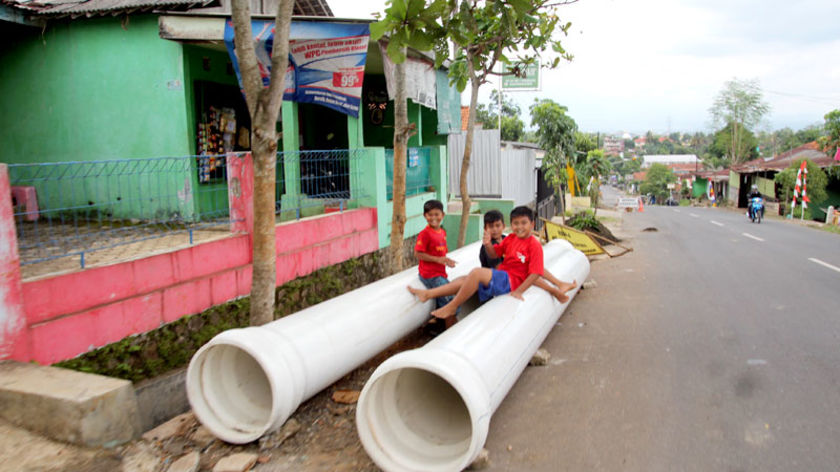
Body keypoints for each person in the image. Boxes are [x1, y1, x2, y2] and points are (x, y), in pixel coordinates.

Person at [409, 206, 577, 320]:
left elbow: (536, 273)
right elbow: (495, 253)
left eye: (524, 223)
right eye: (516, 223)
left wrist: (519, 291)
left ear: (532, 224)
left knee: (475, 273)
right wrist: (488, 243)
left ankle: (452, 306)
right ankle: (428, 294)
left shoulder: (534, 245)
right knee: (462, 280)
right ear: (510, 225)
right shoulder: (510, 239)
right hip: (502, 276)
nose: (519, 227)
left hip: (511, 281)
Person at [479, 209, 577, 303]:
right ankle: (553, 291)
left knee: (532, 264)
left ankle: (559, 283)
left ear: (504, 226)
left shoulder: (506, 238)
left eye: (498, 226)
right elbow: (498, 268)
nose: (495, 229)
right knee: (526, 271)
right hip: (496, 279)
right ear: (485, 229)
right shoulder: (488, 246)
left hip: (509, 274)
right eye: (491, 227)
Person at [414, 199, 457, 331]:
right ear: (425, 216)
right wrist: (438, 260)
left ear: (442, 215)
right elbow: (418, 254)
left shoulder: (442, 232)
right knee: (450, 302)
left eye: (436, 214)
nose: (433, 218)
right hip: (430, 275)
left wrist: (446, 260)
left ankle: (437, 325)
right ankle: (450, 331)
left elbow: (440, 254)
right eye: (430, 214)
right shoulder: (425, 234)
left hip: (440, 273)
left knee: (452, 297)